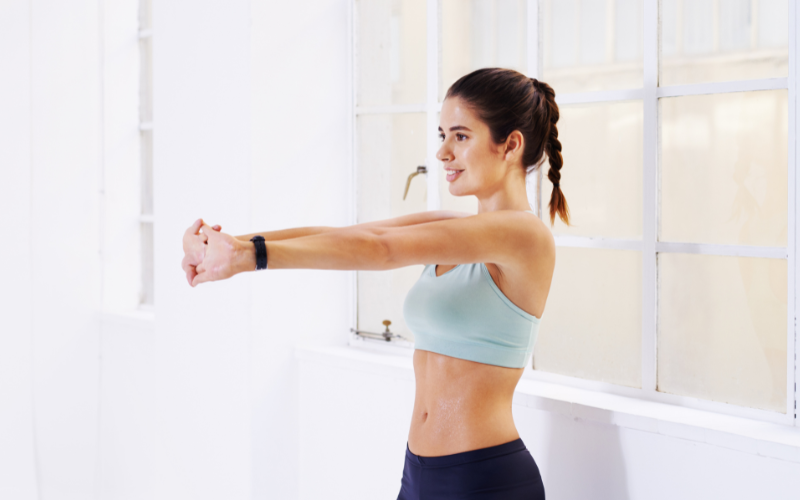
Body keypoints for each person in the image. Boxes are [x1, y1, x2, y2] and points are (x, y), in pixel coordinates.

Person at [181, 67, 569, 500]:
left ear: (510, 145)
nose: (442, 152)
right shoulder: (456, 229)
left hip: (482, 479)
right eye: (442, 134)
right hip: (418, 474)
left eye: (460, 136)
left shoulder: (524, 236)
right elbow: (350, 235)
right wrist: (231, 244)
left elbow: (381, 248)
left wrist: (249, 257)